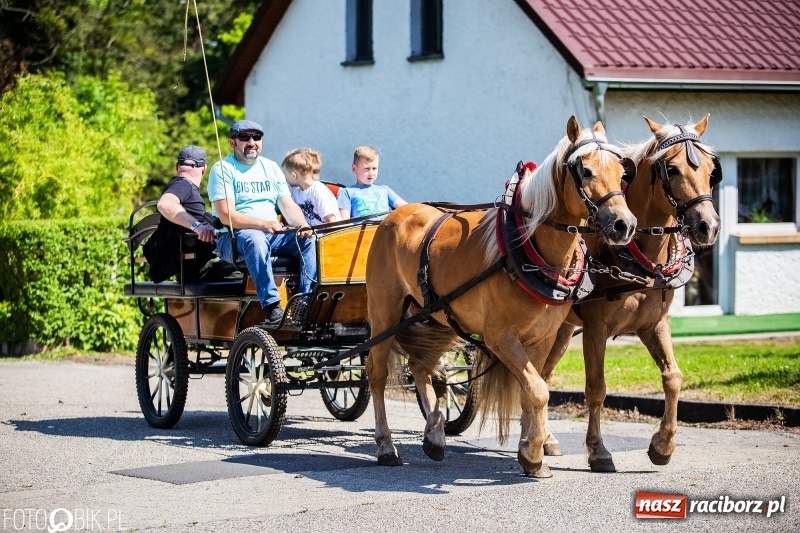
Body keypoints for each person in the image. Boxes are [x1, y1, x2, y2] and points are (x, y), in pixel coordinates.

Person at [207, 120, 316, 326]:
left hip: (272, 234)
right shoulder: (223, 168)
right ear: (232, 142)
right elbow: (226, 215)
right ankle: (272, 305)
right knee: (255, 239)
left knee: (311, 240)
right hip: (233, 238)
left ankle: (303, 301)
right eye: (244, 137)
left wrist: (302, 225)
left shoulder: (271, 167)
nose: (251, 142)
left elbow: (288, 206)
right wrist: (263, 224)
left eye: (256, 137)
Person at [143, 145, 218, 283]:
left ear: (177, 166)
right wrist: (198, 226)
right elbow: (165, 204)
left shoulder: (180, 185)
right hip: (201, 268)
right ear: (204, 169)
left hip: (193, 266)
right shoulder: (184, 185)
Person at [338, 145, 407, 220]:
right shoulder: (346, 192)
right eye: (366, 169)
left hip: (385, 229)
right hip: (364, 230)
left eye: (374, 168)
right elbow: (344, 223)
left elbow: (407, 209)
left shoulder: (385, 190)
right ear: (354, 168)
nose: (371, 173)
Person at [281, 148, 341, 226]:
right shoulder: (296, 193)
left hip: (329, 234)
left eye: (285, 174)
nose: (284, 178)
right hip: (312, 235)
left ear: (293, 175)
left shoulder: (319, 191)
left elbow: (331, 221)